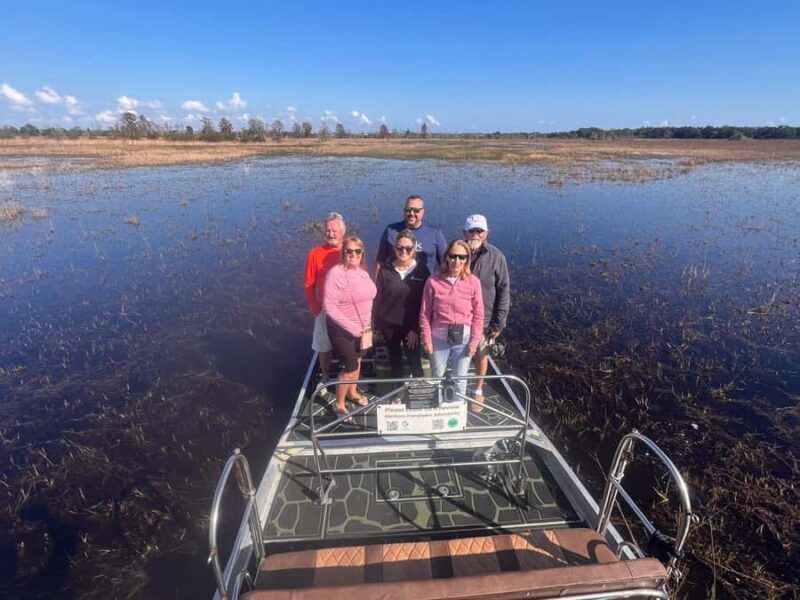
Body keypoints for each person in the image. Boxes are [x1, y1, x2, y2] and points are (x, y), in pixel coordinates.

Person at [419, 239, 484, 400]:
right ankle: (438, 411)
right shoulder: (433, 281)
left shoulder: (474, 282)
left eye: (462, 257)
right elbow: (425, 313)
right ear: (446, 257)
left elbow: (478, 314)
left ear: (467, 259)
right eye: (453, 256)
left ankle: (457, 414)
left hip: (464, 339)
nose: (457, 261)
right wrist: (427, 340)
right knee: (437, 378)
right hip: (438, 338)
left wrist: (474, 342)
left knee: (460, 379)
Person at [323, 236, 377, 417]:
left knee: (359, 361)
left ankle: (352, 393)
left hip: (363, 329)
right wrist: (352, 327)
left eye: (357, 251)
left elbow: (368, 301)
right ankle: (338, 404)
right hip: (342, 331)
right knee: (350, 368)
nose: (353, 254)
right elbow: (329, 306)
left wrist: (367, 327)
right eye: (349, 251)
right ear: (343, 253)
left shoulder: (362, 272)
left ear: (362, 253)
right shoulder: (336, 274)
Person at [464, 214, 510, 412]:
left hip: (484, 320)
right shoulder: (456, 252)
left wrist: (499, 323)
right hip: (458, 318)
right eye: (472, 230)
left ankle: (477, 391)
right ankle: (453, 389)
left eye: (479, 231)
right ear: (464, 232)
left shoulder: (497, 257)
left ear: (486, 233)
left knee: (481, 355)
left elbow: (504, 290)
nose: (475, 234)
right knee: (458, 353)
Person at [373, 230, 431, 379]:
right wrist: (378, 327)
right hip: (389, 326)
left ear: (414, 249)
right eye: (399, 248)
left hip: (411, 327)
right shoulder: (385, 270)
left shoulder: (422, 271)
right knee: (394, 361)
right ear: (394, 249)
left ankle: (419, 389)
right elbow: (378, 299)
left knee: (414, 360)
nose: (403, 251)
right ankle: (397, 393)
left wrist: (416, 329)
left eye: (408, 248)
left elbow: (426, 304)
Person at [304, 212, 346, 390]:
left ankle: (347, 376)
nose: (330, 234)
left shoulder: (351, 250)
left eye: (334, 230)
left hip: (347, 309)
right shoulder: (315, 254)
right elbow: (309, 285)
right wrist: (316, 309)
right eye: (328, 231)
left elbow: (362, 279)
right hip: (325, 310)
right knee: (324, 345)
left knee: (348, 345)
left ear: (343, 231)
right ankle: (326, 376)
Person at [375, 194, 447, 276]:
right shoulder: (391, 231)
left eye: (416, 210)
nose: (411, 213)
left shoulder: (435, 233)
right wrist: (376, 286)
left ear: (422, 211)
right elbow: (380, 261)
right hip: (395, 282)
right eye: (408, 209)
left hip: (426, 284)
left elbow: (445, 263)